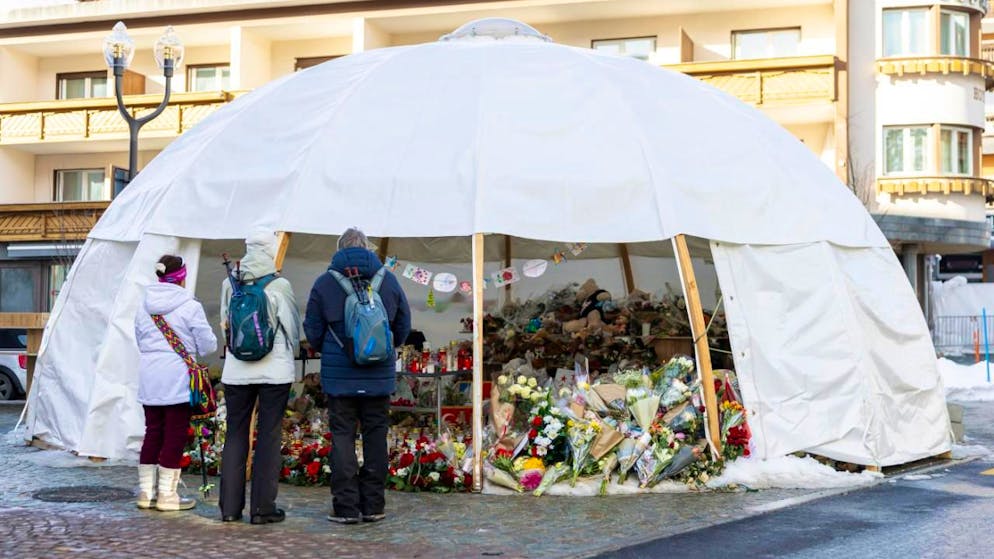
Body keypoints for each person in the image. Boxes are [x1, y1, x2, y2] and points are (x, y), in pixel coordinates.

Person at [304, 227, 410, 524]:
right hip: (378, 375)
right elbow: (403, 323)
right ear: (368, 248)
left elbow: (312, 330)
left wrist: (332, 347)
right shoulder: (387, 279)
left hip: (340, 378)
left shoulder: (325, 283)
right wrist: (386, 349)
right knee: (377, 436)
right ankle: (374, 505)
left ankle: (346, 507)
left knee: (342, 438)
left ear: (338, 249)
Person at [218, 230, 301, 524]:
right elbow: (292, 328)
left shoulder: (231, 283)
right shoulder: (280, 284)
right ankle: (263, 509)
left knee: (236, 434)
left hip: (236, 370)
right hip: (274, 371)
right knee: (268, 435)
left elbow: (225, 324)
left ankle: (229, 508)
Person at [134, 255, 217, 511]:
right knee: (175, 434)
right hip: (178, 377)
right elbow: (207, 346)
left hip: (150, 375)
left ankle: (145, 493)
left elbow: (139, 339)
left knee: (152, 432)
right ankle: (167, 496)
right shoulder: (190, 305)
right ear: (182, 276)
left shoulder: (143, 305)